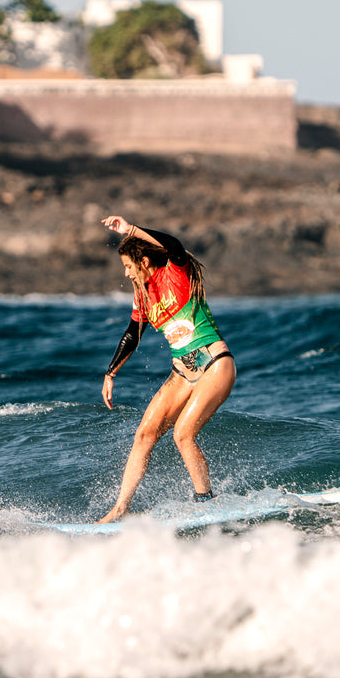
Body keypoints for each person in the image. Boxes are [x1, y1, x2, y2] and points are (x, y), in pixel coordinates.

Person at [96, 214, 236, 523]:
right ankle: (120, 509)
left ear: (144, 262)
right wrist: (110, 373)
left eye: (129, 267)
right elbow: (133, 333)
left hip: (214, 363)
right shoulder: (143, 295)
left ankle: (205, 502)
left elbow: (174, 245)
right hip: (182, 371)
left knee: (183, 435)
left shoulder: (176, 274)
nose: (127, 274)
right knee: (145, 434)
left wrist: (131, 230)